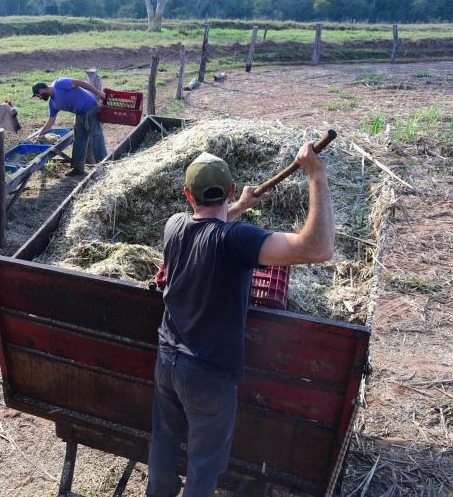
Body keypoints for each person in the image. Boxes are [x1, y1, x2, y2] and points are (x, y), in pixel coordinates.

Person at [147, 143, 335, 497]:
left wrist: (239, 207)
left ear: (188, 195)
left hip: (167, 363)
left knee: (164, 445)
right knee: (204, 465)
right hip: (207, 374)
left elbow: (207, 225)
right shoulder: (237, 240)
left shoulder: (174, 226)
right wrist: (317, 175)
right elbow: (318, 248)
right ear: (231, 189)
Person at [32, 78, 108, 176]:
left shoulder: (59, 84)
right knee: (79, 141)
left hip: (91, 109)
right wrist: (40, 134)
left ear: (41, 90)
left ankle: (105, 167)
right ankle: (78, 169)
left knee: (97, 138)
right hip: (79, 115)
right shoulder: (52, 103)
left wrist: (98, 93)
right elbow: (51, 121)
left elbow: (81, 83)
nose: (39, 98)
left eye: (38, 95)